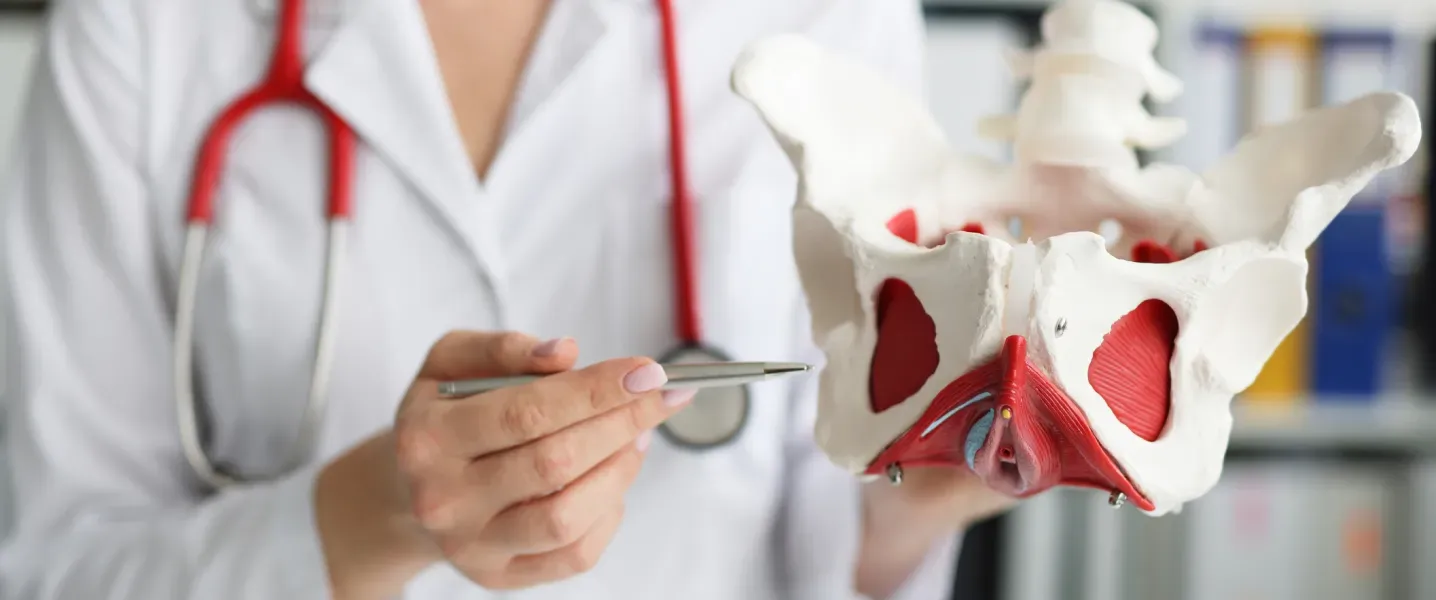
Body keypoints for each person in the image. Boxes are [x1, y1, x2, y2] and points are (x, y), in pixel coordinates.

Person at [0, 0, 1012, 598]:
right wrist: (361, 520)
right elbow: (59, 567)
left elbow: (830, 523)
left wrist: (915, 505)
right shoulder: (143, 30)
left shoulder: (831, 17)